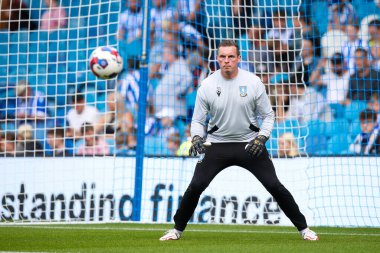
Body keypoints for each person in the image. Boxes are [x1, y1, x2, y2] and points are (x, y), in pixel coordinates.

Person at [159, 40, 319, 241]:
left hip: (250, 145)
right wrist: (197, 137)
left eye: (231, 57)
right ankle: (176, 230)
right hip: (216, 144)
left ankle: (304, 229)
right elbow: (198, 120)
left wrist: (261, 138)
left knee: (274, 186)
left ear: (239, 58)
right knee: (196, 185)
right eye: (223, 57)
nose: (226, 61)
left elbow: (269, 116)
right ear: (217, 58)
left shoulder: (253, 82)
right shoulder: (207, 85)